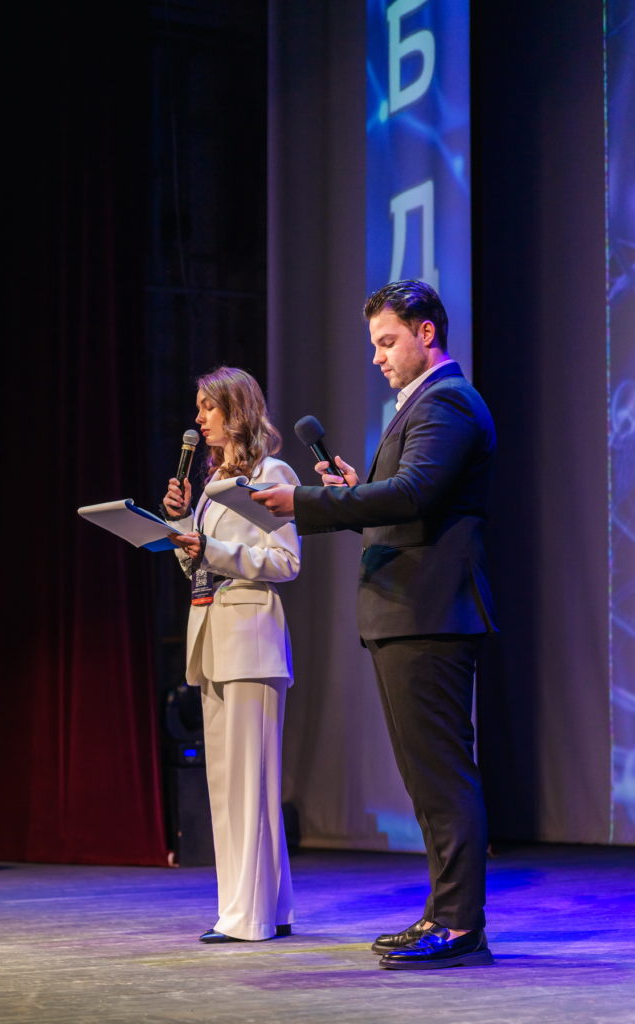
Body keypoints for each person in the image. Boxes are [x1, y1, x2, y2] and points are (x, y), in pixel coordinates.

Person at [252, 280, 497, 969]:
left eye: (387, 342)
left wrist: (304, 502)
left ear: (426, 333)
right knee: (427, 778)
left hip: (429, 612)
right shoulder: (425, 404)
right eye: (374, 345)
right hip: (410, 612)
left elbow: (414, 494)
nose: (377, 357)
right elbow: (407, 503)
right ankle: (444, 915)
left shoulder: (446, 401)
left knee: (441, 775)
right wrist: (353, 493)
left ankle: (458, 925)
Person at [162, 366, 301, 944]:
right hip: (213, 634)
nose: (198, 418)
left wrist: (212, 547)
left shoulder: (272, 474)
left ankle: (247, 917)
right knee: (228, 782)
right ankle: (268, 907)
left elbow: (286, 561)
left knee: (249, 783)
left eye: (208, 407)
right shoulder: (214, 481)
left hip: (250, 638)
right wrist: (178, 523)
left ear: (235, 410)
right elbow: (198, 565)